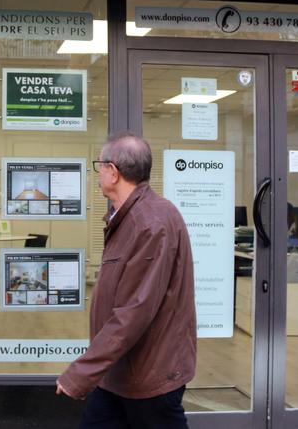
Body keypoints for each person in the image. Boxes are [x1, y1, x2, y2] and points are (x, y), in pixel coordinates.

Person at [56, 132, 196, 429]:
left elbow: (134, 310)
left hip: (149, 378)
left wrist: (81, 373)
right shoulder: (128, 216)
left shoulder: (151, 223)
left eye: (100, 165)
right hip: (119, 373)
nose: (99, 172)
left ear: (113, 171)